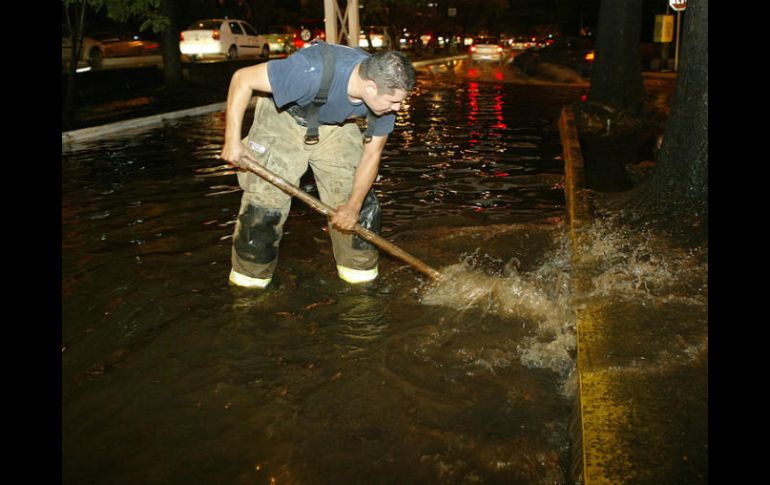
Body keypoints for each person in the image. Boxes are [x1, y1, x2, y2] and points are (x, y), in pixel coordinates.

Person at [219, 41, 416, 289]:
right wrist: (232, 141)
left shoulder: (383, 103)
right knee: (264, 209)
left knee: (358, 207)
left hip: (337, 126)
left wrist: (352, 206)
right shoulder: (307, 70)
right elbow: (242, 78)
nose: (398, 108)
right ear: (370, 86)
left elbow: (372, 155)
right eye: (393, 101)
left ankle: (360, 285)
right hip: (284, 119)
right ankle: (249, 288)